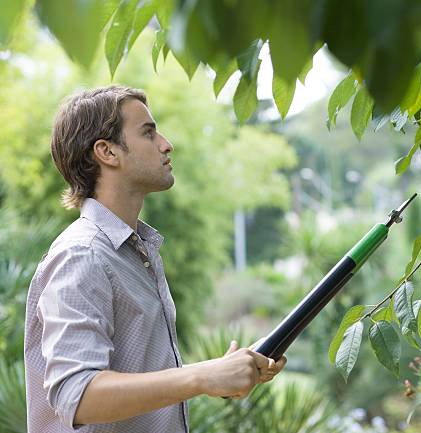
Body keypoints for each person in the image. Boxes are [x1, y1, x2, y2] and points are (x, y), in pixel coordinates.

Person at [23, 85, 287, 432]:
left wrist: (223, 372)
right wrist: (201, 376)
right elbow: (79, 394)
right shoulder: (82, 256)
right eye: (148, 133)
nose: (166, 144)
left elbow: (141, 381)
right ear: (107, 152)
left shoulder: (137, 251)